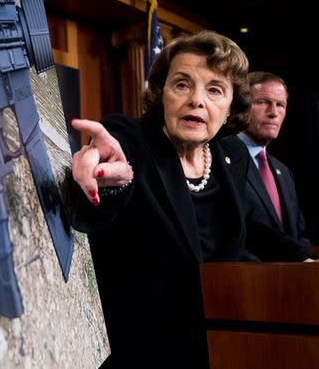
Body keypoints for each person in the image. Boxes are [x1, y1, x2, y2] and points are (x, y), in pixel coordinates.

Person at [68, 31, 316, 369]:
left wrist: (303, 260)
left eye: (214, 90)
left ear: (231, 108)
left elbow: (250, 224)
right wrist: (116, 180)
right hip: (141, 354)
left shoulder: (231, 157)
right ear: (162, 94)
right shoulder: (133, 140)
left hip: (218, 347)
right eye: (182, 85)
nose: (196, 100)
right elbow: (102, 193)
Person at [238, 72, 312, 251]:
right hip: (246, 277)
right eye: (262, 102)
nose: (273, 113)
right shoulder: (220, 160)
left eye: (280, 105)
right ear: (241, 106)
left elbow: (298, 235)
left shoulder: (283, 171)